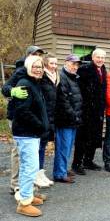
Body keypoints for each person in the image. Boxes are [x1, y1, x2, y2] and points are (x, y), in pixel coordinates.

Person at [1, 46, 45, 194]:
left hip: (31, 117)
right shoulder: (21, 71)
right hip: (17, 116)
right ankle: (16, 184)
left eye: (40, 55)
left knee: (29, 156)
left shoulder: (39, 74)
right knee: (19, 152)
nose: (37, 56)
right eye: (34, 54)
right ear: (28, 56)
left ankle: (30, 186)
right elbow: (5, 88)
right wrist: (12, 91)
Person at [12, 56, 48, 217]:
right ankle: (24, 203)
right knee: (30, 168)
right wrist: (39, 125)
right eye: (34, 66)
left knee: (28, 167)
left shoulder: (35, 83)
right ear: (27, 67)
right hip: (26, 133)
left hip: (31, 133)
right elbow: (22, 111)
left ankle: (26, 195)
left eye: (40, 66)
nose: (38, 69)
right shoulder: (25, 84)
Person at [72, 49, 107, 175]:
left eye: (103, 57)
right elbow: (80, 90)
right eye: (98, 57)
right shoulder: (85, 69)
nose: (100, 59)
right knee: (82, 138)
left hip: (98, 110)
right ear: (93, 57)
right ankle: (76, 164)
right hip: (86, 110)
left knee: (94, 137)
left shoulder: (103, 70)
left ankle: (88, 161)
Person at [53, 55, 83, 183]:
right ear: (66, 63)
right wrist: (74, 115)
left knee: (68, 147)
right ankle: (60, 174)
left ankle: (63, 169)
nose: (75, 67)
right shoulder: (62, 77)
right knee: (63, 148)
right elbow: (63, 101)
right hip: (65, 120)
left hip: (72, 120)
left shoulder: (73, 78)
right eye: (73, 64)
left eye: (77, 65)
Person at [35, 54, 59, 187]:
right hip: (42, 116)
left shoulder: (56, 77)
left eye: (56, 64)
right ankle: (35, 175)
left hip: (51, 116)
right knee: (38, 148)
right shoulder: (42, 78)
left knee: (43, 147)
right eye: (52, 63)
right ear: (45, 64)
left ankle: (40, 173)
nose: (54, 66)